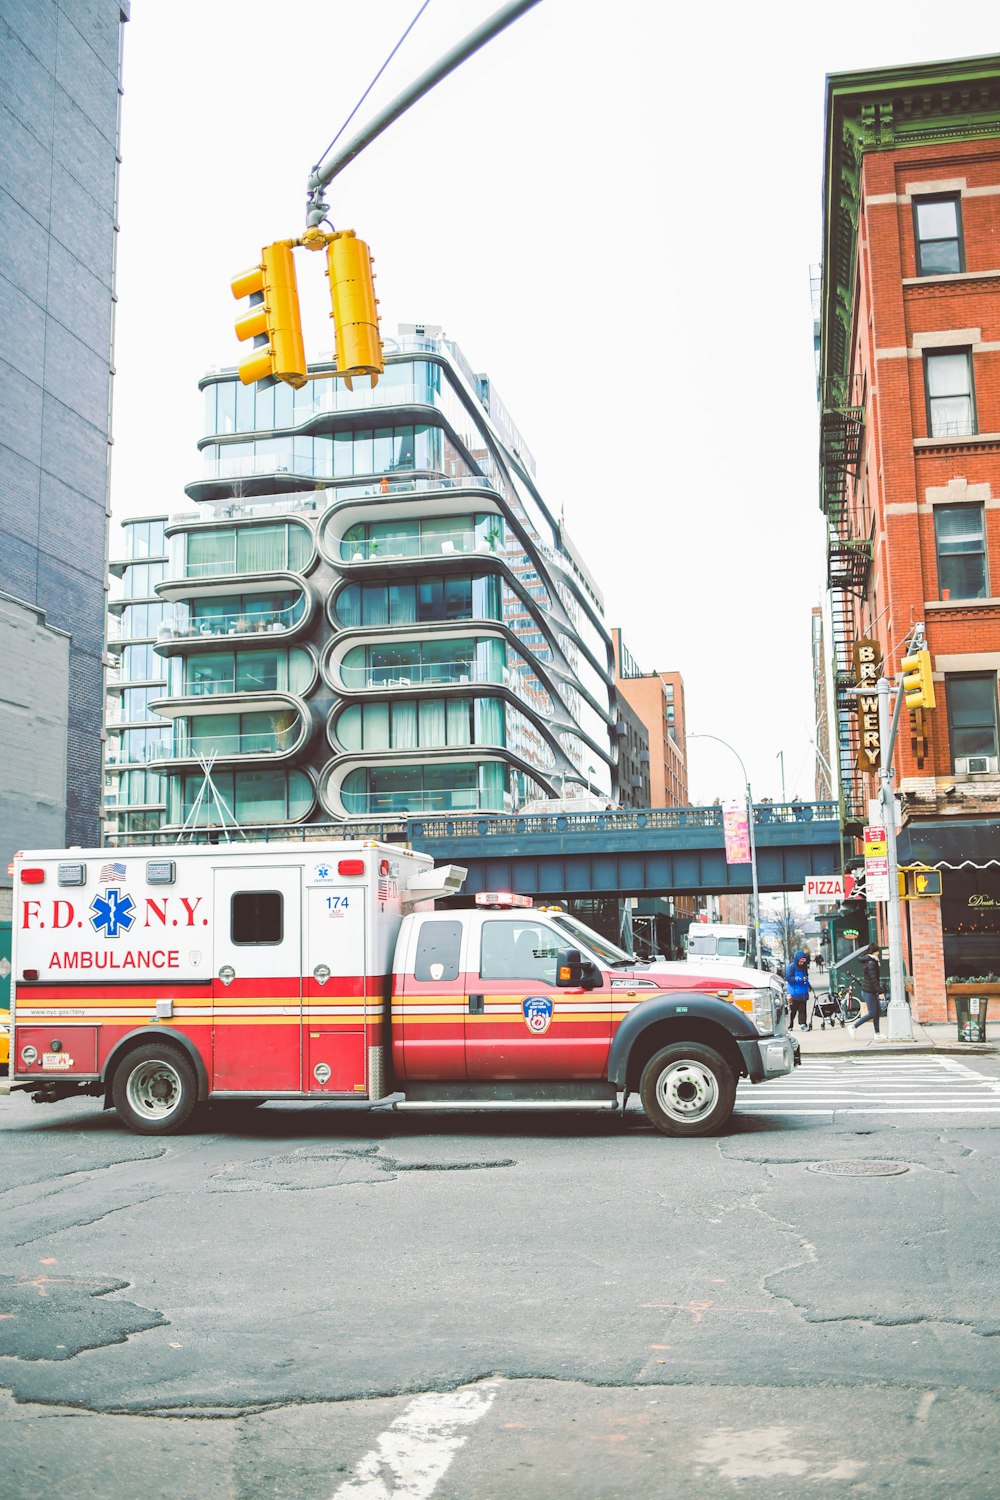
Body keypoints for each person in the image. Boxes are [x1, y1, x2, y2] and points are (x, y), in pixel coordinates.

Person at [850, 944, 885, 1042]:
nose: (879, 953)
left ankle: (877, 1033)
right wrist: (880, 991)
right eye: (878, 951)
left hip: (871, 990)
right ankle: (853, 1026)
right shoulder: (871, 963)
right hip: (869, 991)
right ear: (875, 952)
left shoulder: (872, 961)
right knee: (872, 1013)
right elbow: (874, 980)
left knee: (877, 1012)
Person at [785, 950, 811, 1031]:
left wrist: (807, 984)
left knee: (802, 1010)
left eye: (803, 961)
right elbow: (788, 978)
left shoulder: (804, 968)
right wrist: (799, 979)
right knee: (792, 1011)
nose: (801, 963)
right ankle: (790, 1025)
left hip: (803, 993)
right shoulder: (792, 967)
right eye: (800, 961)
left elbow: (806, 977)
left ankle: (803, 1024)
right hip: (794, 993)